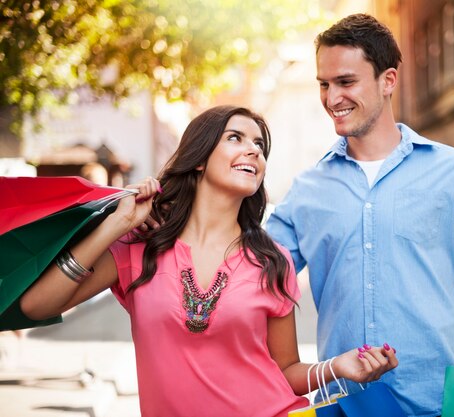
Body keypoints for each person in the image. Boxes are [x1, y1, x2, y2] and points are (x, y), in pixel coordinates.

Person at [19, 105, 398, 417]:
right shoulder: (139, 248)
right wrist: (116, 224)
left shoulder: (272, 261)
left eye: (260, 145)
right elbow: (36, 305)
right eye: (235, 138)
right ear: (199, 158)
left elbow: (284, 371)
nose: (254, 151)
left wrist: (337, 367)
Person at [265, 13, 454, 417]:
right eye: (324, 85)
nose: (331, 99)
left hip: (439, 403)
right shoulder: (307, 189)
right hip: (345, 407)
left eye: (346, 82)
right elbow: (255, 273)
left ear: (388, 80)